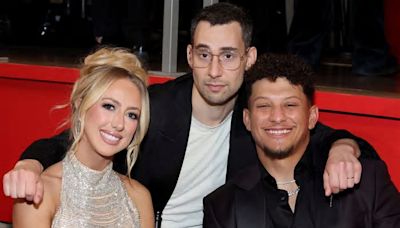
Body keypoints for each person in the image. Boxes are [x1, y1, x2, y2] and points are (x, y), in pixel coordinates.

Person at [3, 3, 378, 227]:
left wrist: (344, 147)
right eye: (204, 54)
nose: (215, 70)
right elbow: (72, 140)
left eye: (228, 56)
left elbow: (317, 133)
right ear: (189, 57)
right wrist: (31, 165)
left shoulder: (258, 115)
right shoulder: (152, 108)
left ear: (249, 59)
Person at [203, 53, 400, 227]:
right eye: (264, 106)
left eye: (290, 105)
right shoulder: (223, 206)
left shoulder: (367, 182)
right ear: (247, 119)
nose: (277, 117)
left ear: (312, 117)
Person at [12, 48, 154, 227]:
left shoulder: (139, 197)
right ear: (81, 105)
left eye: (131, 115)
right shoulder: (39, 193)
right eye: (109, 106)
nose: (119, 124)